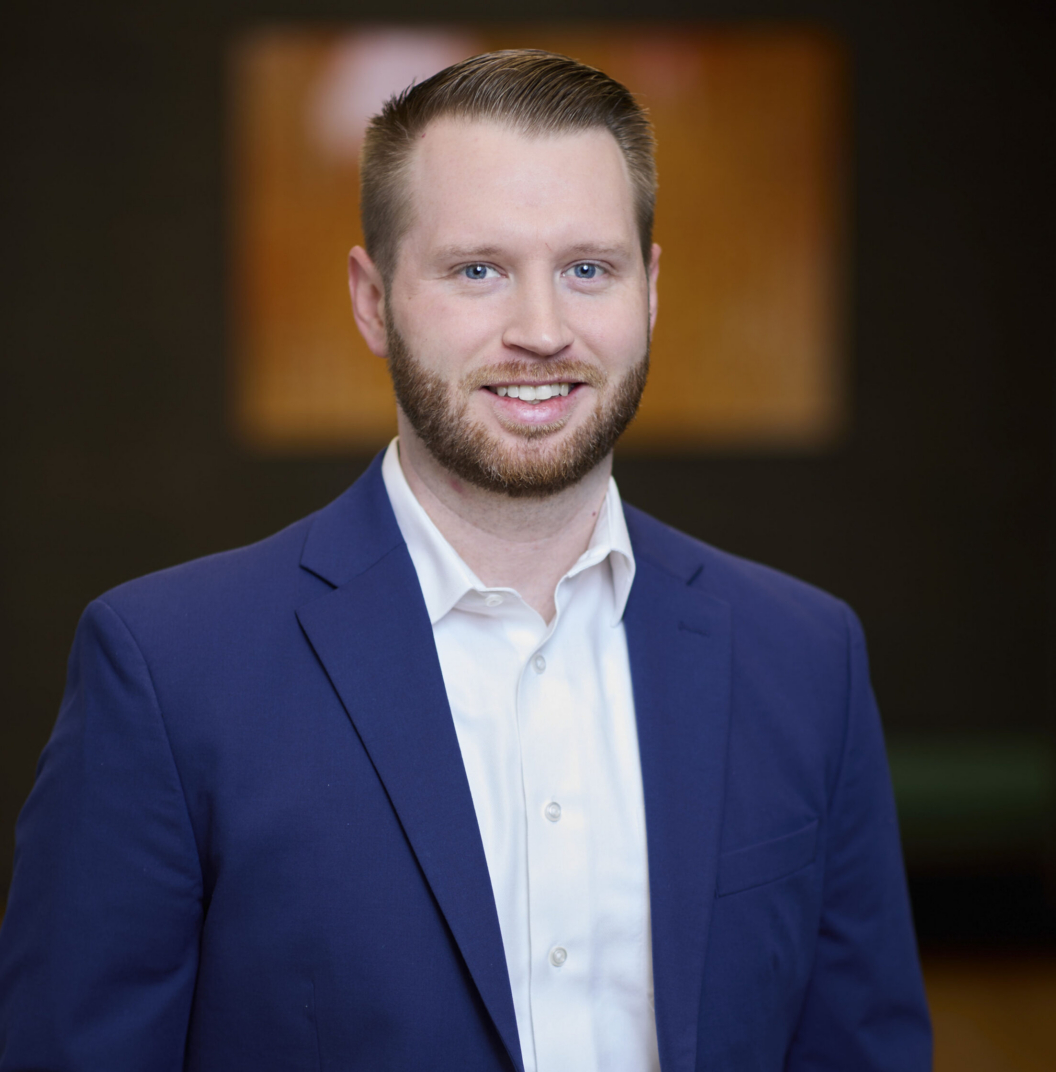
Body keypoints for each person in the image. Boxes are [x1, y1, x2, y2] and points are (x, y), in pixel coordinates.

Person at [0, 50, 930, 1071]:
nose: (541, 331)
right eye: (477, 270)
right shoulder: (169, 672)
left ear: (652, 291)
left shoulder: (805, 658)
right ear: (373, 300)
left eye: (588, 269)